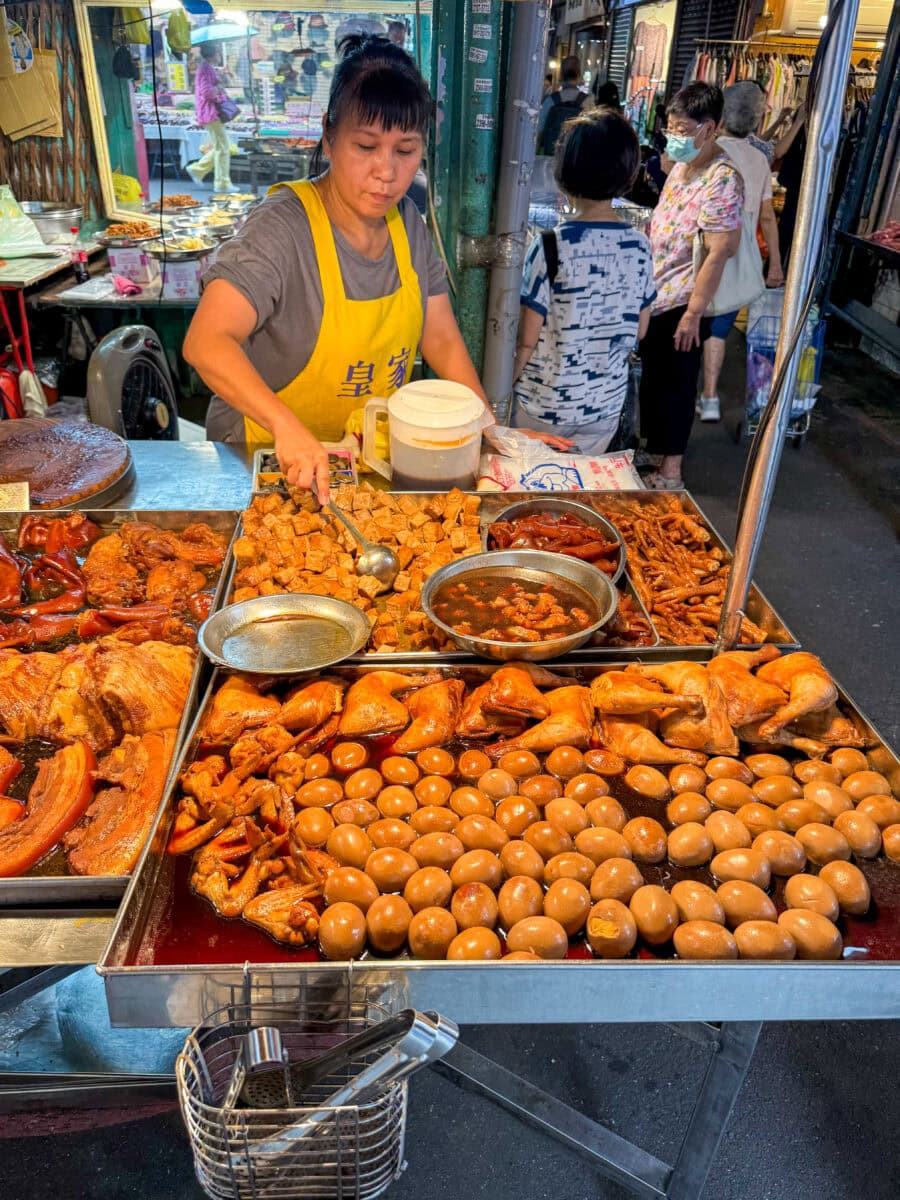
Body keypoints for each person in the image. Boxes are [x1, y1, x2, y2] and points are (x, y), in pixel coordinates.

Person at [184, 36, 563, 500]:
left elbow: (440, 337)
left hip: (358, 462)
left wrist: (488, 429)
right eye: (366, 146)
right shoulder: (281, 227)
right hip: (261, 460)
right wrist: (286, 428)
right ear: (329, 136)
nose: (386, 171)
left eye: (405, 151)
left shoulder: (409, 225)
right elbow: (206, 342)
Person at [512, 108, 656, 454]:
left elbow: (526, 340)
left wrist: (498, 393)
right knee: (580, 490)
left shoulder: (549, 246)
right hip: (603, 408)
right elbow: (640, 330)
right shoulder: (639, 246)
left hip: (543, 406)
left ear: (564, 172)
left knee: (534, 489)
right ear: (628, 173)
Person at [637, 82, 743, 488]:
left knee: (677, 382)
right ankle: (652, 448)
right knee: (653, 376)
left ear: (709, 127)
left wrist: (694, 314)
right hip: (657, 292)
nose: (673, 136)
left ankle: (671, 470)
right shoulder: (683, 164)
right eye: (671, 127)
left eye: (682, 129)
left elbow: (718, 252)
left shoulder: (722, 178)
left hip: (686, 298)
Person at [697, 80, 783, 423]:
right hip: (742, 246)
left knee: (692, 318)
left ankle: (690, 390)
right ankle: (710, 397)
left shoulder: (708, 150)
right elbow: (767, 217)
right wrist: (774, 262)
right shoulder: (759, 160)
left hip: (705, 240)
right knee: (719, 327)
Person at [186, 42, 233, 193]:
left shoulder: (205, 68)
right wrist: (220, 85)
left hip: (209, 112)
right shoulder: (206, 69)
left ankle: (197, 169)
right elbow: (208, 93)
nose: (220, 56)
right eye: (219, 53)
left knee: (221, 146)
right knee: (223, 147)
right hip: (210, 112)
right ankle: (222, 183)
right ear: (213, 54)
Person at [537, 56, 587, 156]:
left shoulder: (551, 100)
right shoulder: (587, 101)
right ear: (579, 75)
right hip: (576, 160)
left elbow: (539, 131)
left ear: (561, 75)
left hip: (551, 158)